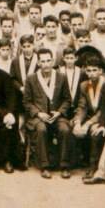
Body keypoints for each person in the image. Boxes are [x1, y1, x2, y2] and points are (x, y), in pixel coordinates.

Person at [23, 47, 72, 178]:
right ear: (38, 63)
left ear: (52, 61)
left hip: (56, 116)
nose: (46, 64)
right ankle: (44, 166)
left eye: (48, 61)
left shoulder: (61, 77)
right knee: (41, 129)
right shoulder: (31, 78)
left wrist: (60, 112)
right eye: (43, 61)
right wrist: (38, 113)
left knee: (65, 129)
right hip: (39, 117)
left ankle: (65, 166)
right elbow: (26, 102)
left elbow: (67, 99)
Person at [71, 59, 105, 170]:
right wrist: (78, 122)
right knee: (71, 126)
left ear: (100, 71)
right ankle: (77, 161)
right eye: (89, 71)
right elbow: (82, 106)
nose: (92, 73)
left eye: (94, 70)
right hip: (89, 117)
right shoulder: (84, 85)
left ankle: (93, 166)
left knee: (94, 131)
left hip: (104, 118)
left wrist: (88, 123)